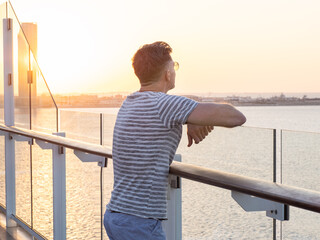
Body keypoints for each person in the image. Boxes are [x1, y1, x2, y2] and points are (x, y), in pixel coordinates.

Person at [104, 41, 246, 240]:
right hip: (140, 223)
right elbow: (236, 117)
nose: (175, 71)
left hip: (117, 215)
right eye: (174, 66)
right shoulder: (165, 105)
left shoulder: (130, 102)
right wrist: (194, 116)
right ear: (167, 73)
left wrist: (192, 117)